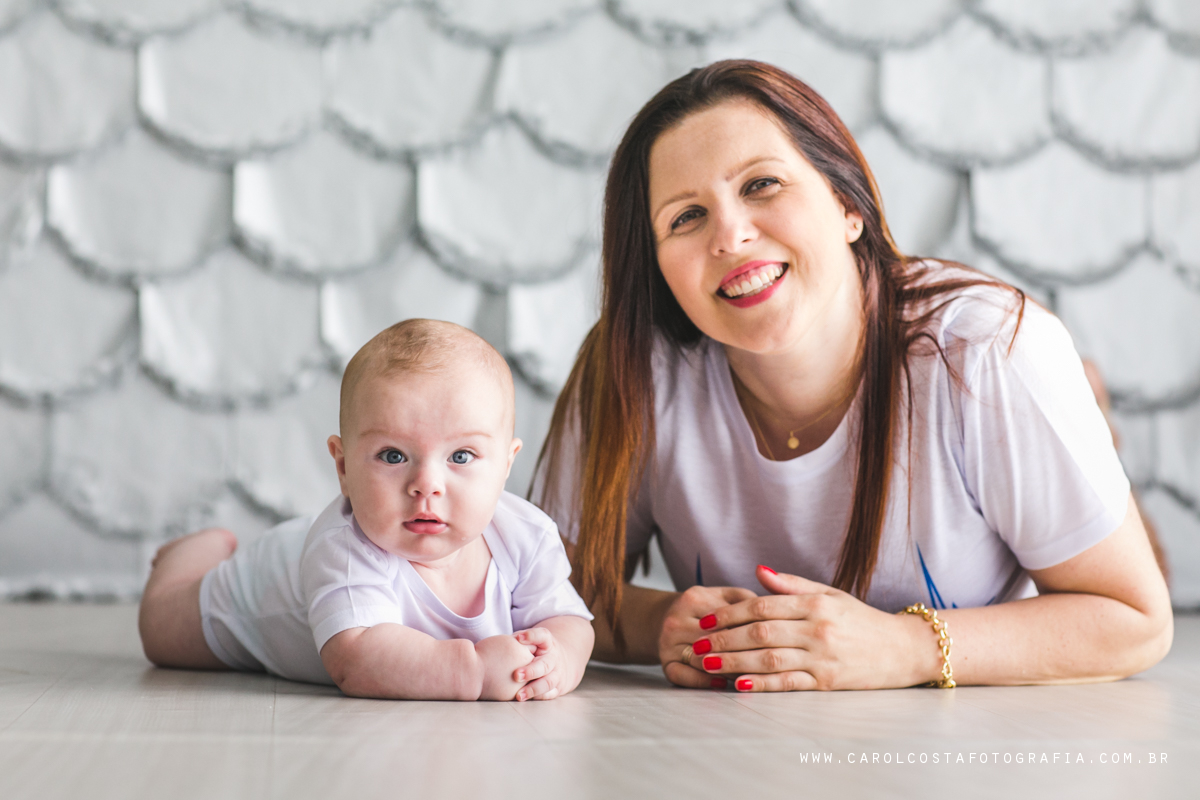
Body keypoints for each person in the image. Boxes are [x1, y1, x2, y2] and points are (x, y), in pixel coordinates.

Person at [532, 60, 1172, 692]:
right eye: (685, 216)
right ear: (660, 270)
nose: (730, 235)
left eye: (761, 185)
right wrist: (660, 624)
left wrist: (907, 648)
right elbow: (537, 593)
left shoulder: (987, 349)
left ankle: (1084, 416)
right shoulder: (631, 368)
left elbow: (1136, 622)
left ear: (847, 206)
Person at [139, 319, 594, 701]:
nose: (426, 486)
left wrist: (561, 658)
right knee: (162, 630)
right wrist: (471, 671)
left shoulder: (527, 535)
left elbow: (569, 619)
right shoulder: (346, 550)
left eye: (461, 457)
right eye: (393, 456)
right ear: (343, 466)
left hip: (301, 546)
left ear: (506, 464)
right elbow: (356, 659)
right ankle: (195, 552)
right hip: (260, 590)